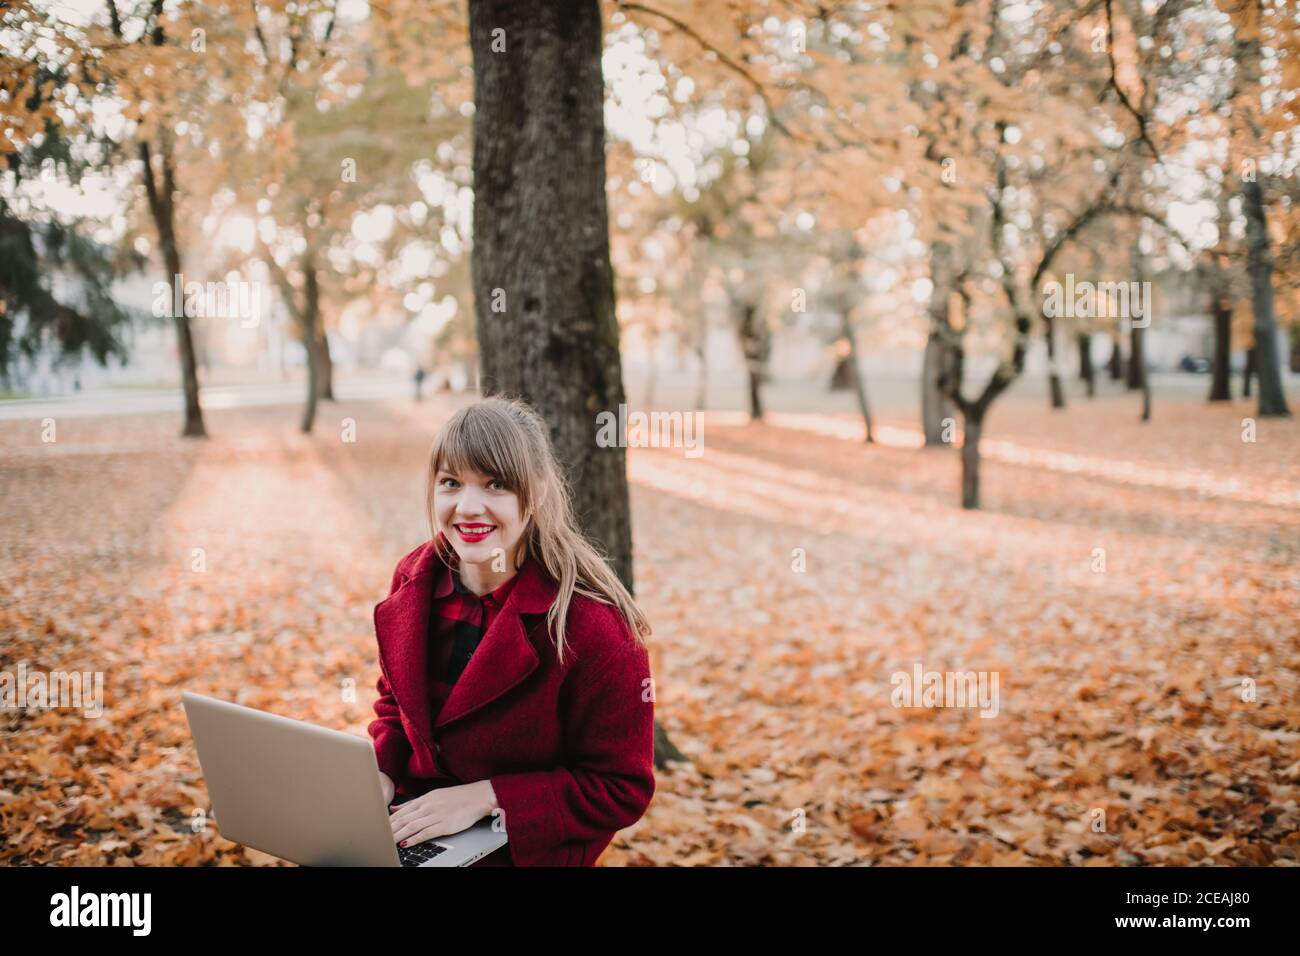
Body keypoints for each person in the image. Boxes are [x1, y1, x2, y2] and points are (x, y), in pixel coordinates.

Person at [368, 395, 656, 866]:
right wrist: (379, 770)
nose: (468, 507)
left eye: (496, 484)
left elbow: (620, 788)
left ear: (537, 491)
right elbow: (395, 704)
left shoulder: (592, 628)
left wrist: (487, 797)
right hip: (412, 827)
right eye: (450, 483)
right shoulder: (413, 580)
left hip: (522, 850)